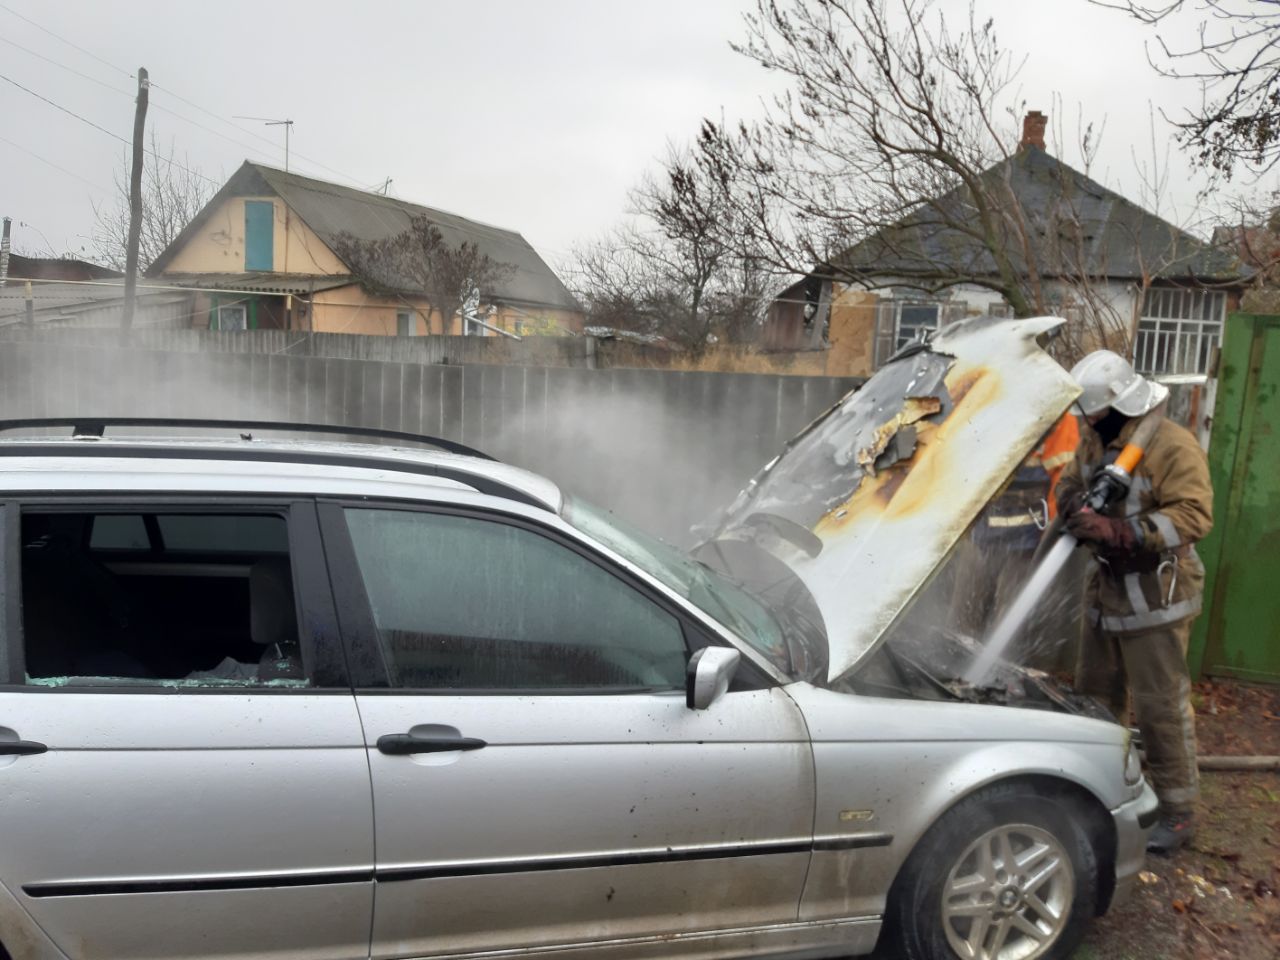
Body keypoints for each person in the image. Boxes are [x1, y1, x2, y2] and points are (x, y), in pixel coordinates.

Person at [1058, 350, 1213, 855]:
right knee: (1094, 699)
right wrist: (1072, 507)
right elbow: (1070, 481)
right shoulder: (1098, 438)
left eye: (1095, 413)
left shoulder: (1171, 444)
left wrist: (1120, 530)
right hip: (1104, 591)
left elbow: (1194, 516)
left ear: (1122, 404)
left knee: (1159, 707)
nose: (1089, 422)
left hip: (1155, 595)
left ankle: (1177, 811)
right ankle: (1103, 793)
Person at [950, 413, 1079, 645]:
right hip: (979, 535)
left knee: (1010, 628)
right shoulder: (982, 405)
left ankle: (1003, 677)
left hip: (1026, 542)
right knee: (962, 621)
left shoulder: (1057, 414)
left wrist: (1049, 533)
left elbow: (1063, 481)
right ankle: (951, 671)